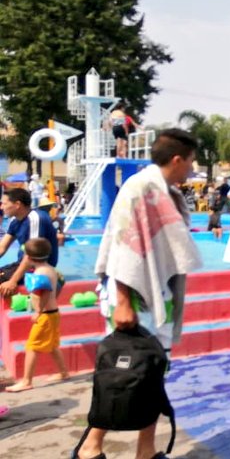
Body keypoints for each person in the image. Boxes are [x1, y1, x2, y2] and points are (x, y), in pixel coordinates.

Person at [81, 129, 203, 459]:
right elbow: (125, 243)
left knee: (149, 371)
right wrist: (122, 300)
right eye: (191, 161)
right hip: (134, 295)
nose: (192, 168)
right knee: (129, 371)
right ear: (178, 159)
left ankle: (143, 451)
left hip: (153, 293)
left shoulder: (163, 190)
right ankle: (93, 446)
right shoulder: (144, 187)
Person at [5, 238, 68, 392]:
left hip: (45, 315)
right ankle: (63, 372)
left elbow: (45, 292)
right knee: (53, 345)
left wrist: (38, 311)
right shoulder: (50, 269)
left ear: (28, 257)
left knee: (32, 347)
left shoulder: (40, 273)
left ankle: (27, 381)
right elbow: (58, 287)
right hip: (53, 313)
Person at [0, 188, 59, 296]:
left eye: (4, 203)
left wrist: (12, 281)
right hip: (22, 264)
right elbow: (2, 248)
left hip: (38, 268)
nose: (1, 207)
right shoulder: (15, 221)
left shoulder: (35, 218)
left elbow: (32, 255)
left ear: (17, 204)